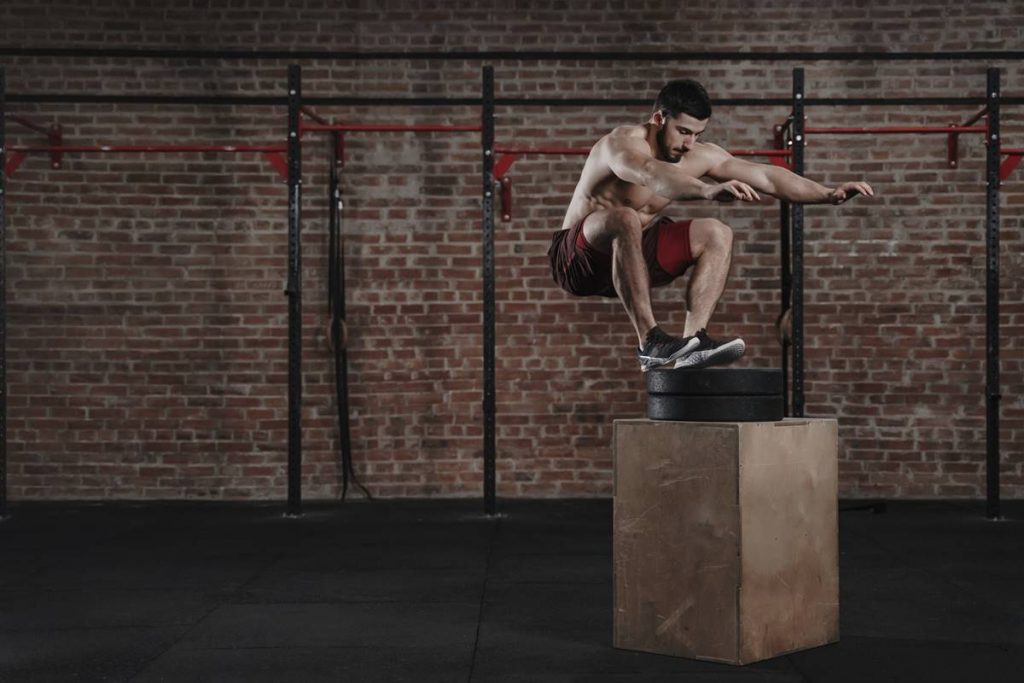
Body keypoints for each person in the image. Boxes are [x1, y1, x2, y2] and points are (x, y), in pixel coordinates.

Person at [548, 79, 873, 372]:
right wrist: (705, 189)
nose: (690, 144)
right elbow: (651, 173)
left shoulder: (699, 155)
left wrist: (828, 194)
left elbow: (767, 177)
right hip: (579, 261)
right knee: (624, 217)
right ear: (659, 119)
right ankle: (650, 343)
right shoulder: (621, 144)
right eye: (683, 131)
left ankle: (694, 344)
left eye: (697, 134)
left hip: (634, 257)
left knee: (717, 233)